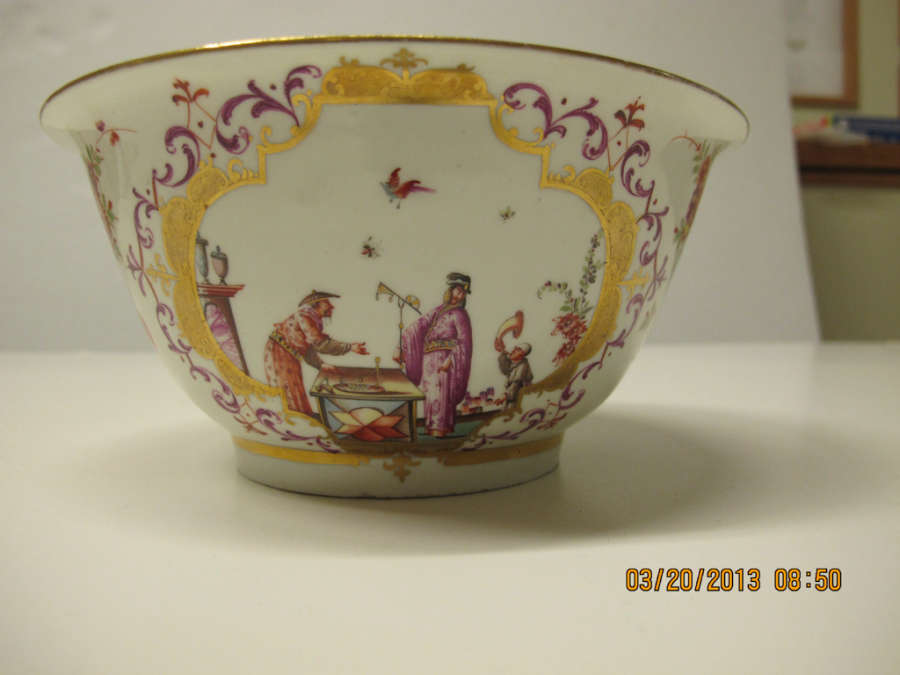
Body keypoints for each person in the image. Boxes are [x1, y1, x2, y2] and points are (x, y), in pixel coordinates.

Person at [264, 290, 367, 415]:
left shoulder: (309, 318)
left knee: (293, 387)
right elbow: (320, 344)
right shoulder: (304, 317)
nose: (331, 306)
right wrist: (349, 347)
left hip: (286, 353)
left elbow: (307, 346)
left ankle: (299, 417)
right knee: (287, 388)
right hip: (279, 354)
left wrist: (320, 364)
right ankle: (294, 418)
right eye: (327, 303)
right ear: (316, 304)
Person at [396, 273, 473, 437]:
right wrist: (401, 346)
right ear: (450, 290)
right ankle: (431, 428)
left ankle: (440, 430)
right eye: (458, 291)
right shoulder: (438, 310)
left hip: (445, 359)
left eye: (463, 293)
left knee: (441, 395)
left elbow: (464, 342)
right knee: (430, 395)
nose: (460, 295)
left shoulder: (460, 314)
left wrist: (451, 359)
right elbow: (418, 326)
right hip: (428, 360)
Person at [497, 343, 533, 408]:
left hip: (519, 400)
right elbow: (504, 370)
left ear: (522, 354)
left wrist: (505, 395)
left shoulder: (523, 366)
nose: (513, 350)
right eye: (515, 348)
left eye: (518, 349)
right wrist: (503, 353)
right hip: (510, 398)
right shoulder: (515, 364)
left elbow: (516, 384)